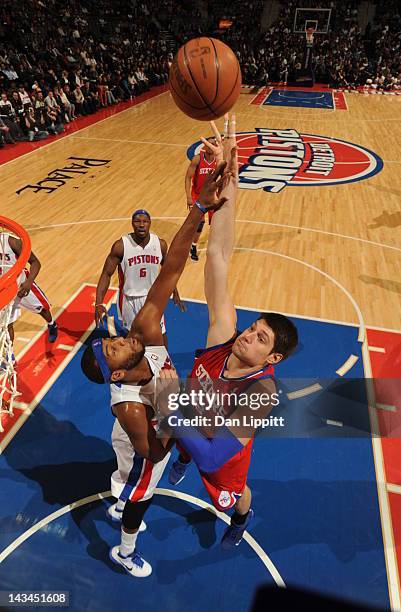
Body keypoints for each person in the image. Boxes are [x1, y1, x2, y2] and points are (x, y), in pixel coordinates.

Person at [81, 163, 229, 577]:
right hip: (147, 436)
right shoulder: (126, 406)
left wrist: (199, 208)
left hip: (156, 410)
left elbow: (173, 266)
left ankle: (120, 491)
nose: (121, 339)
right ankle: (125, 551)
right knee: (140, 494)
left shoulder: (144, 328)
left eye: (113, 337)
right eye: (113, 348)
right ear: (115, 373)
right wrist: (168, 404)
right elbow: (155, 448)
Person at [168, 116, 298, 548]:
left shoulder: (259, 394)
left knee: (231, 497)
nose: (247, 336)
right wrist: (229, 183)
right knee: (185, 443)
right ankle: (179, 455)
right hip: (193, 413)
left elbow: (213, 453)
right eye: (253, 328)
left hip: (223, 451)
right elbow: (220, 255)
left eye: (260, 339)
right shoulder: (224, 334)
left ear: (272, 360)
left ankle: (241, 520)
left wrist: (164, 405)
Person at [94, 209, 185, 346]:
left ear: (150, 223)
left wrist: (174, 290)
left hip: (154, 298)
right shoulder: (120, 246)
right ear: (132, 223)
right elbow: (106, 274)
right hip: (130, 299)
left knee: (160, 334)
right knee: (134, 341)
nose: (141, 225)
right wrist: (99, 302)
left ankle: (164, 363)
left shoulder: (160, 245)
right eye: (137, 221)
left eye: (145, 222)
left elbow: (168, 271)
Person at [0, 233, 58, 344]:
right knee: (7, 323)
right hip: (4, 288)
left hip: (22, 283)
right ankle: (10, 354)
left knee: (42, 309)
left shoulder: (11, 242)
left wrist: (28, 283)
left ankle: (52, 324)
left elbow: (36, 263)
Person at [184, 136, 218, 261]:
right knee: (200, 223)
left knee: (215, 223)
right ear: (204, 146)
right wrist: (188, 197)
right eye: (209, 144)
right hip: (197, 195)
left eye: (213, 144)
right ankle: (193, 246)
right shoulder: (197, 159)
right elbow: (188, 178)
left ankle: (214, 246)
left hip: (212, 195)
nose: (211, 146)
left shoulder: (218, 161)